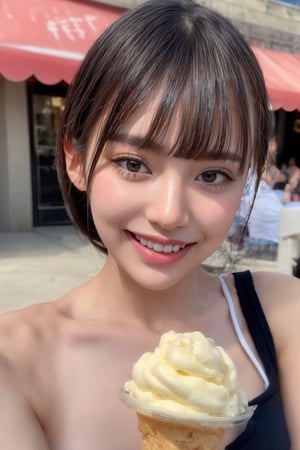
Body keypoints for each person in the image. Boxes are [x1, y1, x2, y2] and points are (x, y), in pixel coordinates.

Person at [0, 1, 299, 449]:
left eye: (212, 175)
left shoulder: (282, 316)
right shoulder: (15, 359)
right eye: (134, 164)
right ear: (76, 159)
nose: (169, 213)